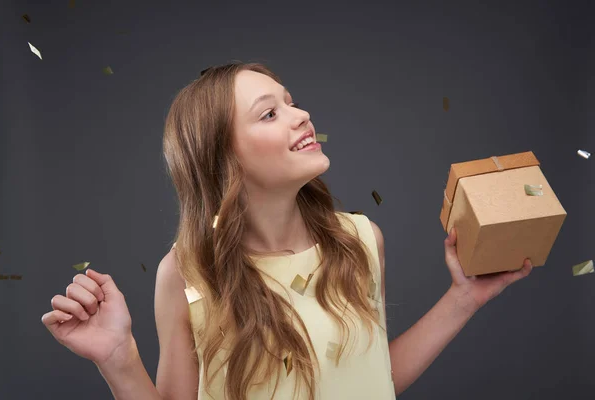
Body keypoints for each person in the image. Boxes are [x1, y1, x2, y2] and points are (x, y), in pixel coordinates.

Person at [41, 62, 533, 400]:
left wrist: (462, 299)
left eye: (291, 102)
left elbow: (368, 380)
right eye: (270, 113)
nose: (302, 116)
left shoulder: (361, 240)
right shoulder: (187, 272)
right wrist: (119, 358)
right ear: (223, 158)